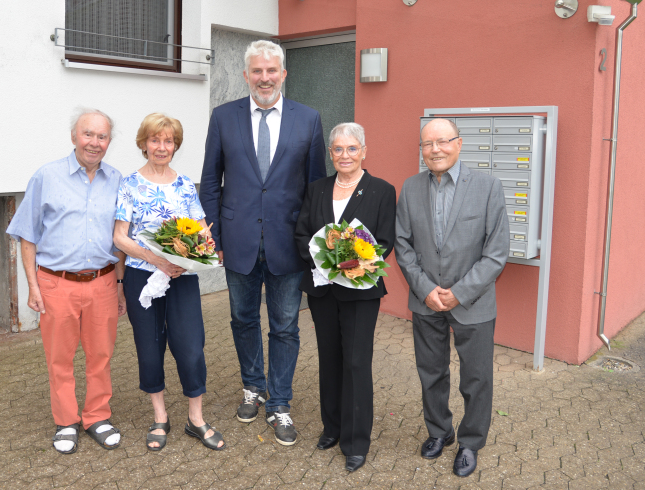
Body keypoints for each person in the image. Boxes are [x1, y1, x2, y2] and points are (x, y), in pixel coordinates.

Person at [199, 40, 326, 446]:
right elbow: (210, 182)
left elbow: (315, 188)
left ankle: (281, 402)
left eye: (272, 70)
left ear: (283, 74)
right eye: (257, 71)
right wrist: (213, 236)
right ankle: (253, 387)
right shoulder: (223, 117)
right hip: (237, 241)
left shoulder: (308, 119)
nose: (265, 77)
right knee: (243, 319)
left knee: (286, 325)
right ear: (246, 75)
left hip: (288, 244)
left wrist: (312, 244)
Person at [7, 108, 126, 454]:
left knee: (100, 355)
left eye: (102, 136)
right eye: (88, 134)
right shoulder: (47, 176)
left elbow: (121, 239)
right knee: (59, 357)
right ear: (74, 137)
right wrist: (32, 285)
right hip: (56, 283)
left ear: (108, 142)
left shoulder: (117, 180)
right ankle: (66, 421)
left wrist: (119, 286)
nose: (94, 142)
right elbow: (26, 235)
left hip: (103, 283)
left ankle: (97, 416)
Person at [395, 118, 509, 477]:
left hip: (473, 303)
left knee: (476, 378)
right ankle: (439, 432)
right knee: (431, 372)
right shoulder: (410, 188)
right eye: (428, 144)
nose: (436, 150)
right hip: (425, 301)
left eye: (443, 142)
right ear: (421, 150)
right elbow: (403, 245)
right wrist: (425, 289)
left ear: (458, 144)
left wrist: (458, 293)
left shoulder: (488, 187)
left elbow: (496, 253)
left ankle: (471, 441)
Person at [113, 113, 225, 452]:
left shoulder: (185, 185)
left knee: (191, 349)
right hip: (141, 277)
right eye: (155, 140)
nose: (162, 147)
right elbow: (120, 237)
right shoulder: (129, 184)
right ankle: (160, 417)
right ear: (143, 144)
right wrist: (158, 259)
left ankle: (196, 419)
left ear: (175, 145)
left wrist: (193, 257)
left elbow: (203, 232)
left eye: (168, 141)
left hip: (181, 279)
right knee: (150, 349)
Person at [295, 122, 396, 472]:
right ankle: (332, 428)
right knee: (330, 358)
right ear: (330, 153)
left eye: (352, 148)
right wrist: (324, 264)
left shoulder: (382, 190)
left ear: (364, 151)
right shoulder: (317, 189)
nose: (345, 155)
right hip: (323, 290)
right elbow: (302, 234)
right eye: (337, 149)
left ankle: (356, 441)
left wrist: (348, 266)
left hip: (360, 292)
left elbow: (383, 241)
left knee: (355, 362)